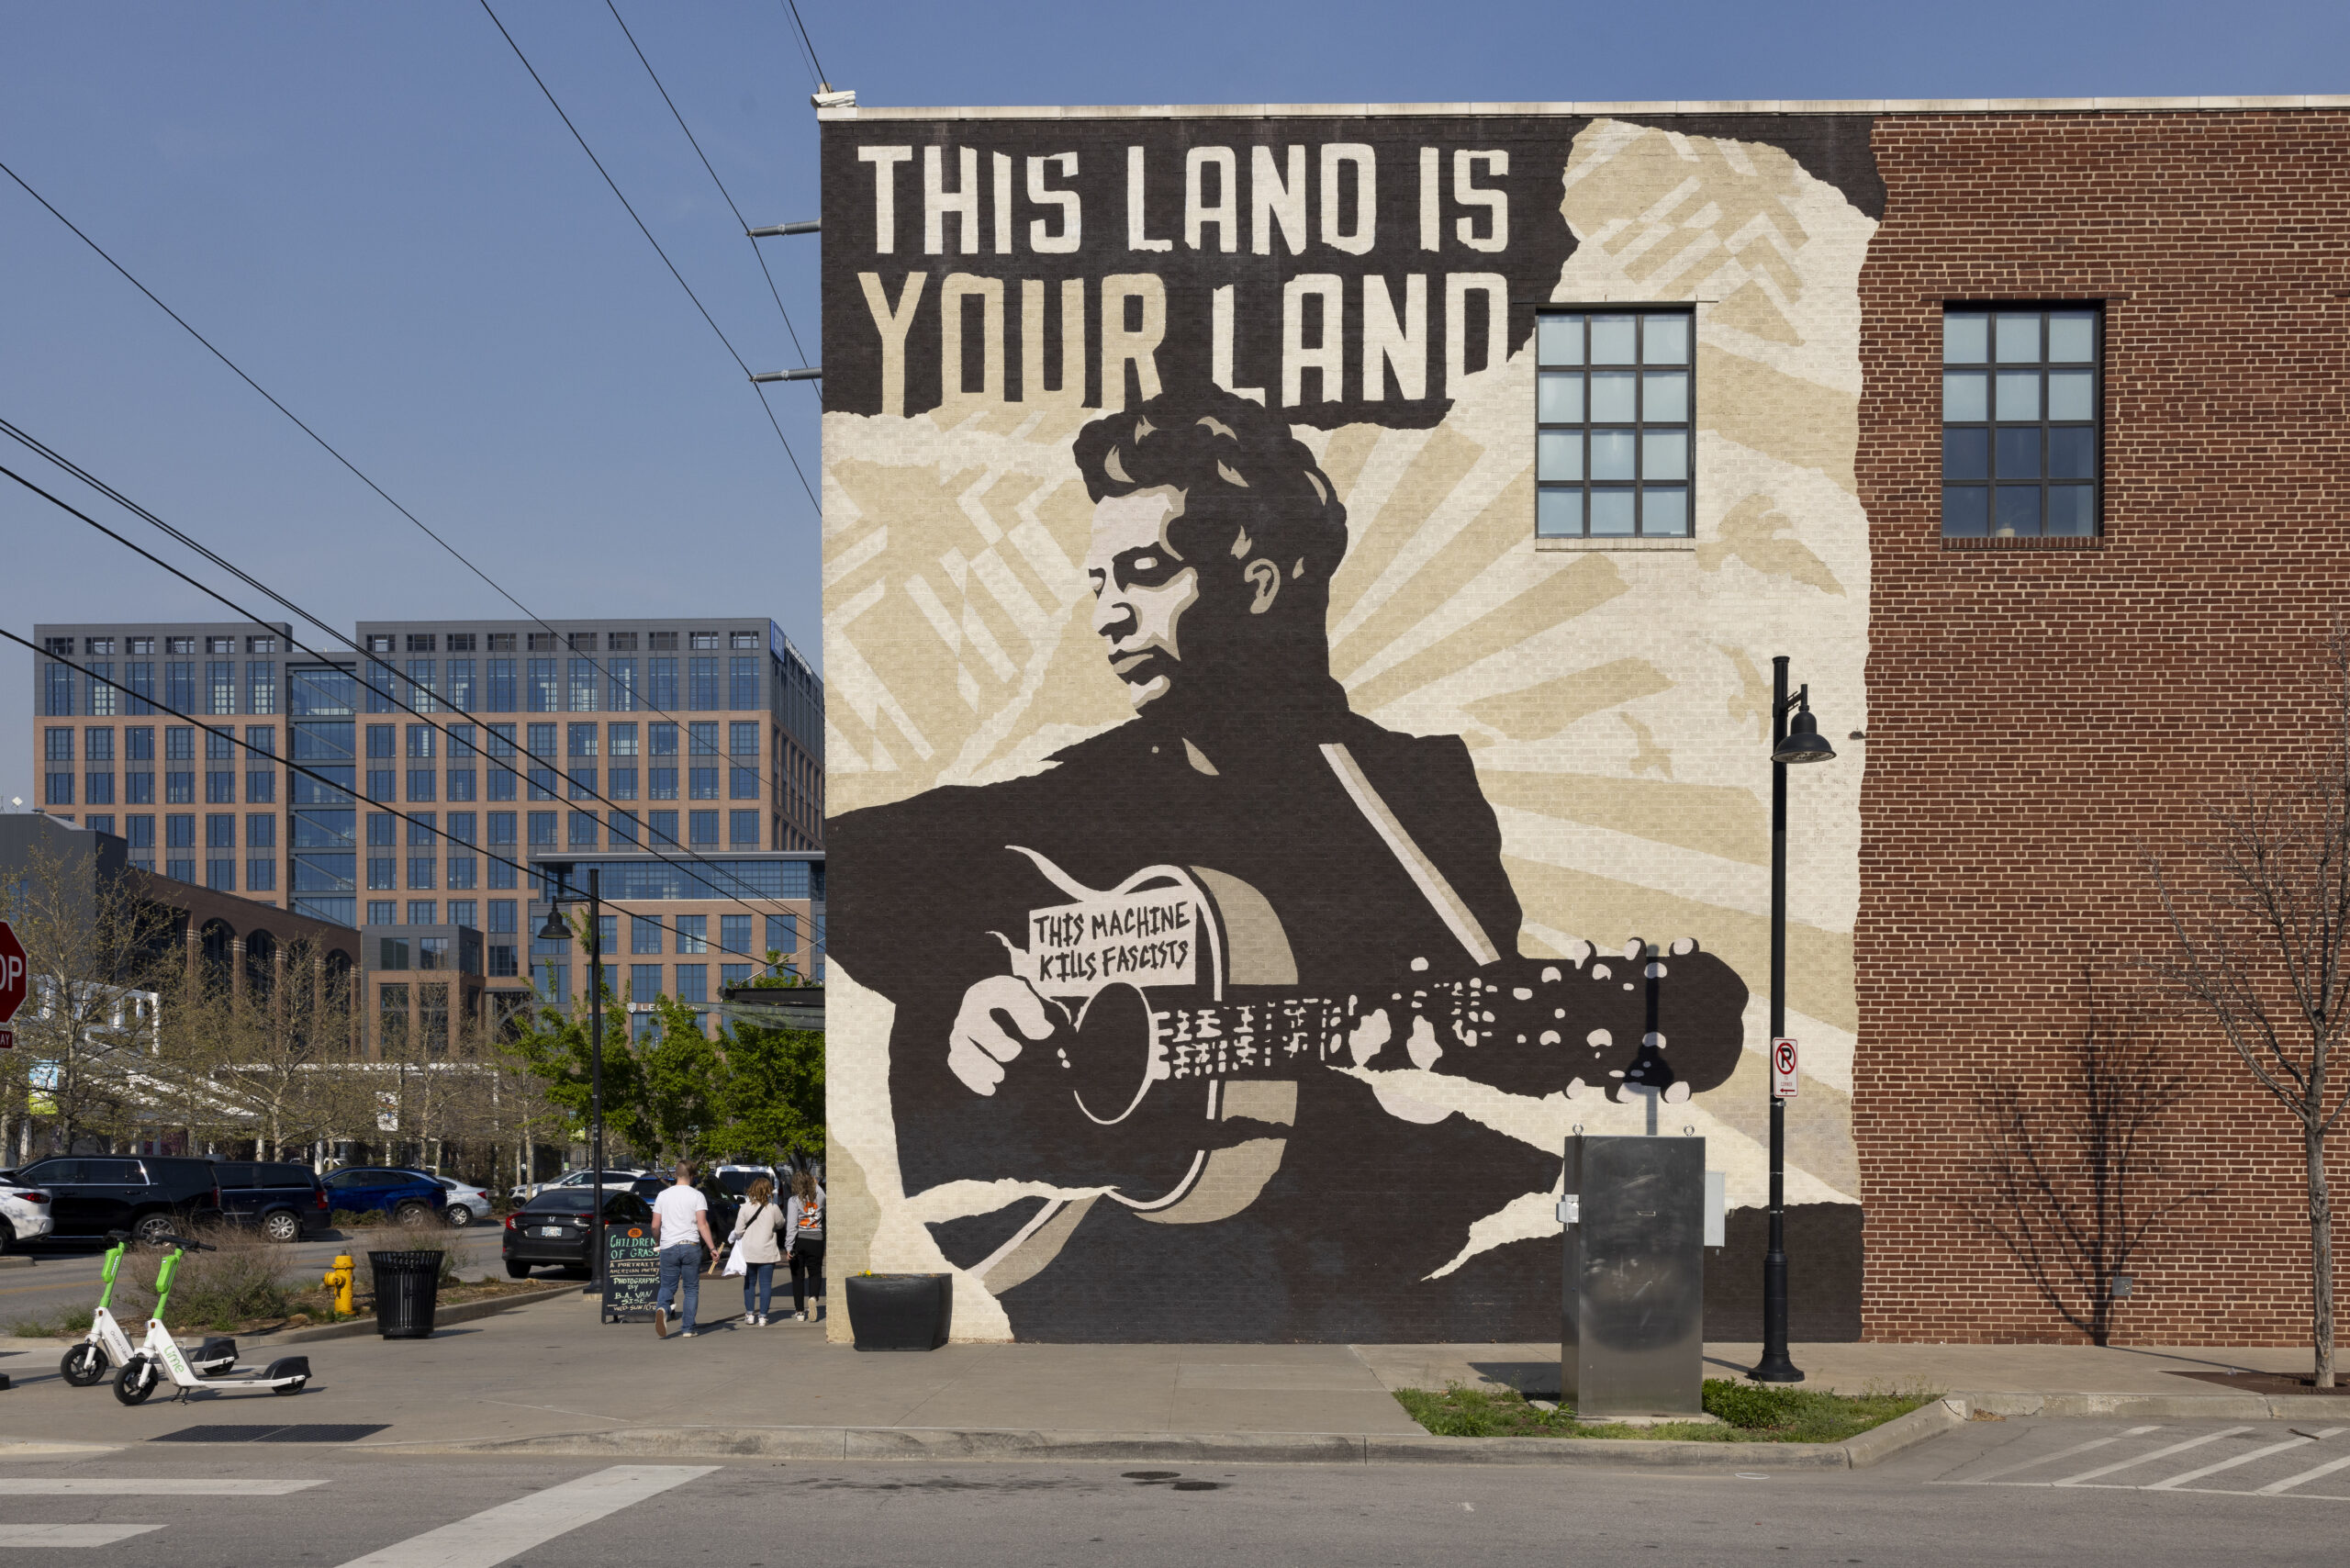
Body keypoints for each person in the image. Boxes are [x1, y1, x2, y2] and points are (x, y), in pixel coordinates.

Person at [826, 386, 1746, 1340]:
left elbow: (1484, 1061)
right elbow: (852, 860)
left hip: (1355, 1289)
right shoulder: (1088, 790)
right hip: (1130, 1289)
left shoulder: (1415, 798)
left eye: (1142, 575)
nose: (1107, 615)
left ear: (1259, 581)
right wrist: (967, 975)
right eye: (1098, 584)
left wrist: (1431, 1092)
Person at [649, 1159, 719, 1339]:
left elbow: (655, 1226)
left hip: (669, 1246)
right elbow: (702, 1225)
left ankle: (663, 1308)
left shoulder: (663, 1196)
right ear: (693, 1176)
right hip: (691, 1245)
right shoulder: (697, 1196)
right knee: (691, 1288)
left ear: (675, 1175)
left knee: (667, 1285)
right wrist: (712, 1247)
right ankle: (687, 1328)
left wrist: (658, 1241)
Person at [726, 1176, 786, 1326]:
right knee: (766, 1284)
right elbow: (780, 1224)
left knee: (749, 1283)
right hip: (767, 1251)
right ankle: (763, 1316)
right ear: (768, 1191)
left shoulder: (745, 1208)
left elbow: (738, 1230)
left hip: (749, 1251)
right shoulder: (773, 1208)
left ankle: (750, 1314)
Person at [782, 1169, 824, 1322]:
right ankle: (813, 1297)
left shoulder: (794, 1201)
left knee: (797, 1276)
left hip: (800, 1240)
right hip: (816, 1239)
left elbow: (792, 1226)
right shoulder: (820, 1197)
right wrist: (814, 1182)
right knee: (815, 1272)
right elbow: (819, 1189)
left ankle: (799, 1311)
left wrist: (788, 1247)